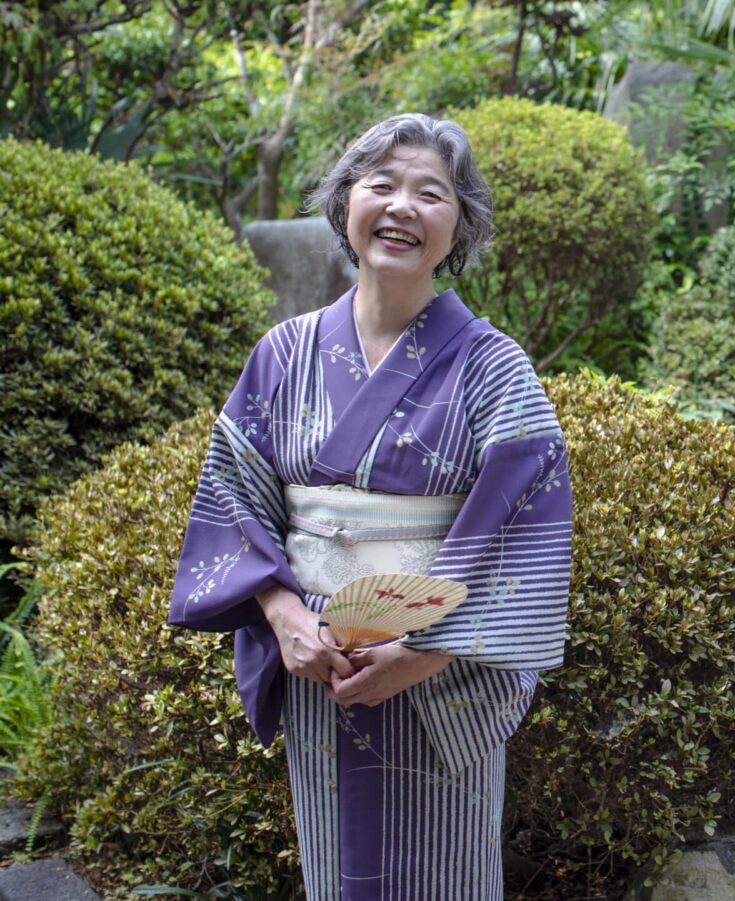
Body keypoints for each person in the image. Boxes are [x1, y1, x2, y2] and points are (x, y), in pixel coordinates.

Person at [167, 113, 572, 899]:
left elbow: (524, 520)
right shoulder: (282, 354)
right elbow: (234, 492)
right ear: (345, 204)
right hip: (320, 658)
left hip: (438, 678)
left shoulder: (494, 367)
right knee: (336, 870)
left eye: (432, 193)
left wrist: (423, 651)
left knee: (441, 871)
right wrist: (285, 616)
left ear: (460, 227)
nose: (402, 207)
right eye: (380, 184)